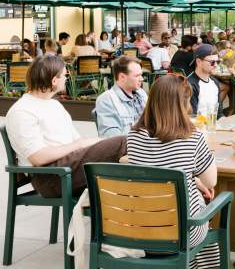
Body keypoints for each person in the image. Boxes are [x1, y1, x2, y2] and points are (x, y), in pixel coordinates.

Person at [127, 73, 219, 268]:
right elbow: (211, 182)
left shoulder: (133, 136)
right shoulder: (193, 137)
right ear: (182, 105)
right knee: (208, 208)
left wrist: (191, 180)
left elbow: (157, 169)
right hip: (182, 233)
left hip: (139, 228)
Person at [5, 55, 126, 198]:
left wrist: (96, 143)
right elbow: (38, 157)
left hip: (69, 166)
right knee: (123, 142)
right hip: (51, 176)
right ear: (54, 80)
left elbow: (76, 143)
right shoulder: (22, 111)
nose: (67, 78)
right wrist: (80, 144)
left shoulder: (54, 105)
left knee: (127, 159)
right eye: (64, 75)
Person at [95, 55, 148, 137]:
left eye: (141, 75)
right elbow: (110, 138)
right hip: (129, 148)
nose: (142, 79)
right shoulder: (107, 100)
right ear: (122, 77)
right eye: (137, 76)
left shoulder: (141, 93)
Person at [187, 44, 223, 118]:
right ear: (199, 61)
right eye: (212, 62)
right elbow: (192, 117)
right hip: (198, 128)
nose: (216, 65)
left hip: (214, 126)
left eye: (218, 62)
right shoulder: (189, 85)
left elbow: (219, 113)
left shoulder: (215, 82)